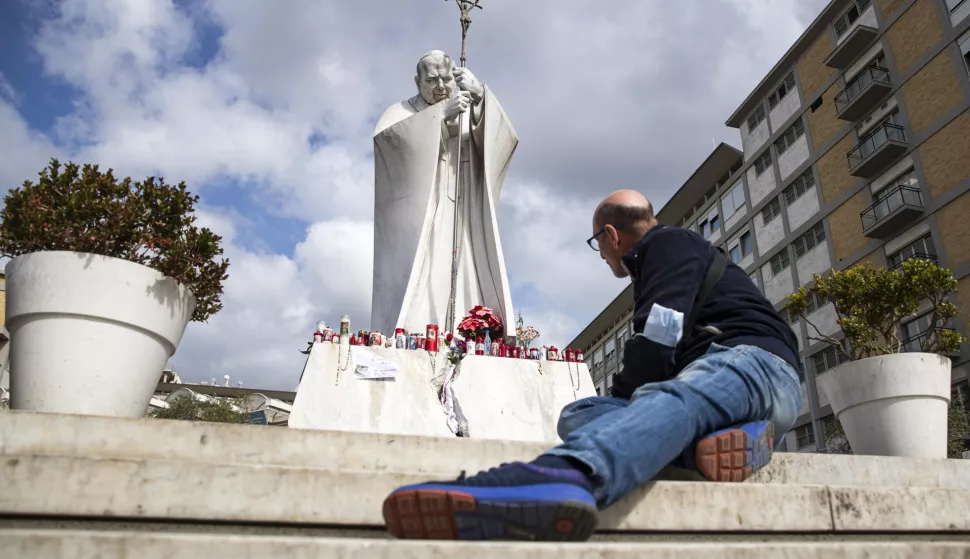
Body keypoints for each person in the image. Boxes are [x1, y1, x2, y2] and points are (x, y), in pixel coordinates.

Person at [381, 190, 802, 542]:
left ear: (611, 235)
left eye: (596, 244)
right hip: (738, 391)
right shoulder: (662, 258)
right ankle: (726, 444)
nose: (601, 255)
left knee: (669, 397)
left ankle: (565, 476)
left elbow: (659, 337)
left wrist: (627, 398)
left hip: (753, 363)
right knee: (580, 413)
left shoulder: (667, 244)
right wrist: (622, 403)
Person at [371, 50, 517, 337]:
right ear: (417, 82)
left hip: (465, 206)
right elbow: (390, 145)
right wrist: (439, 117)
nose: (440, 87)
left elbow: (502, 141)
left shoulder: (466, 100)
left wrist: (480, 98)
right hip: (423, 207)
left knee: (466, 264)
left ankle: (470, 327)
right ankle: (417, 326)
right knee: (426, 265)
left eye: (447, 79)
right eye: (431, 80)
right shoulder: (400, 112)